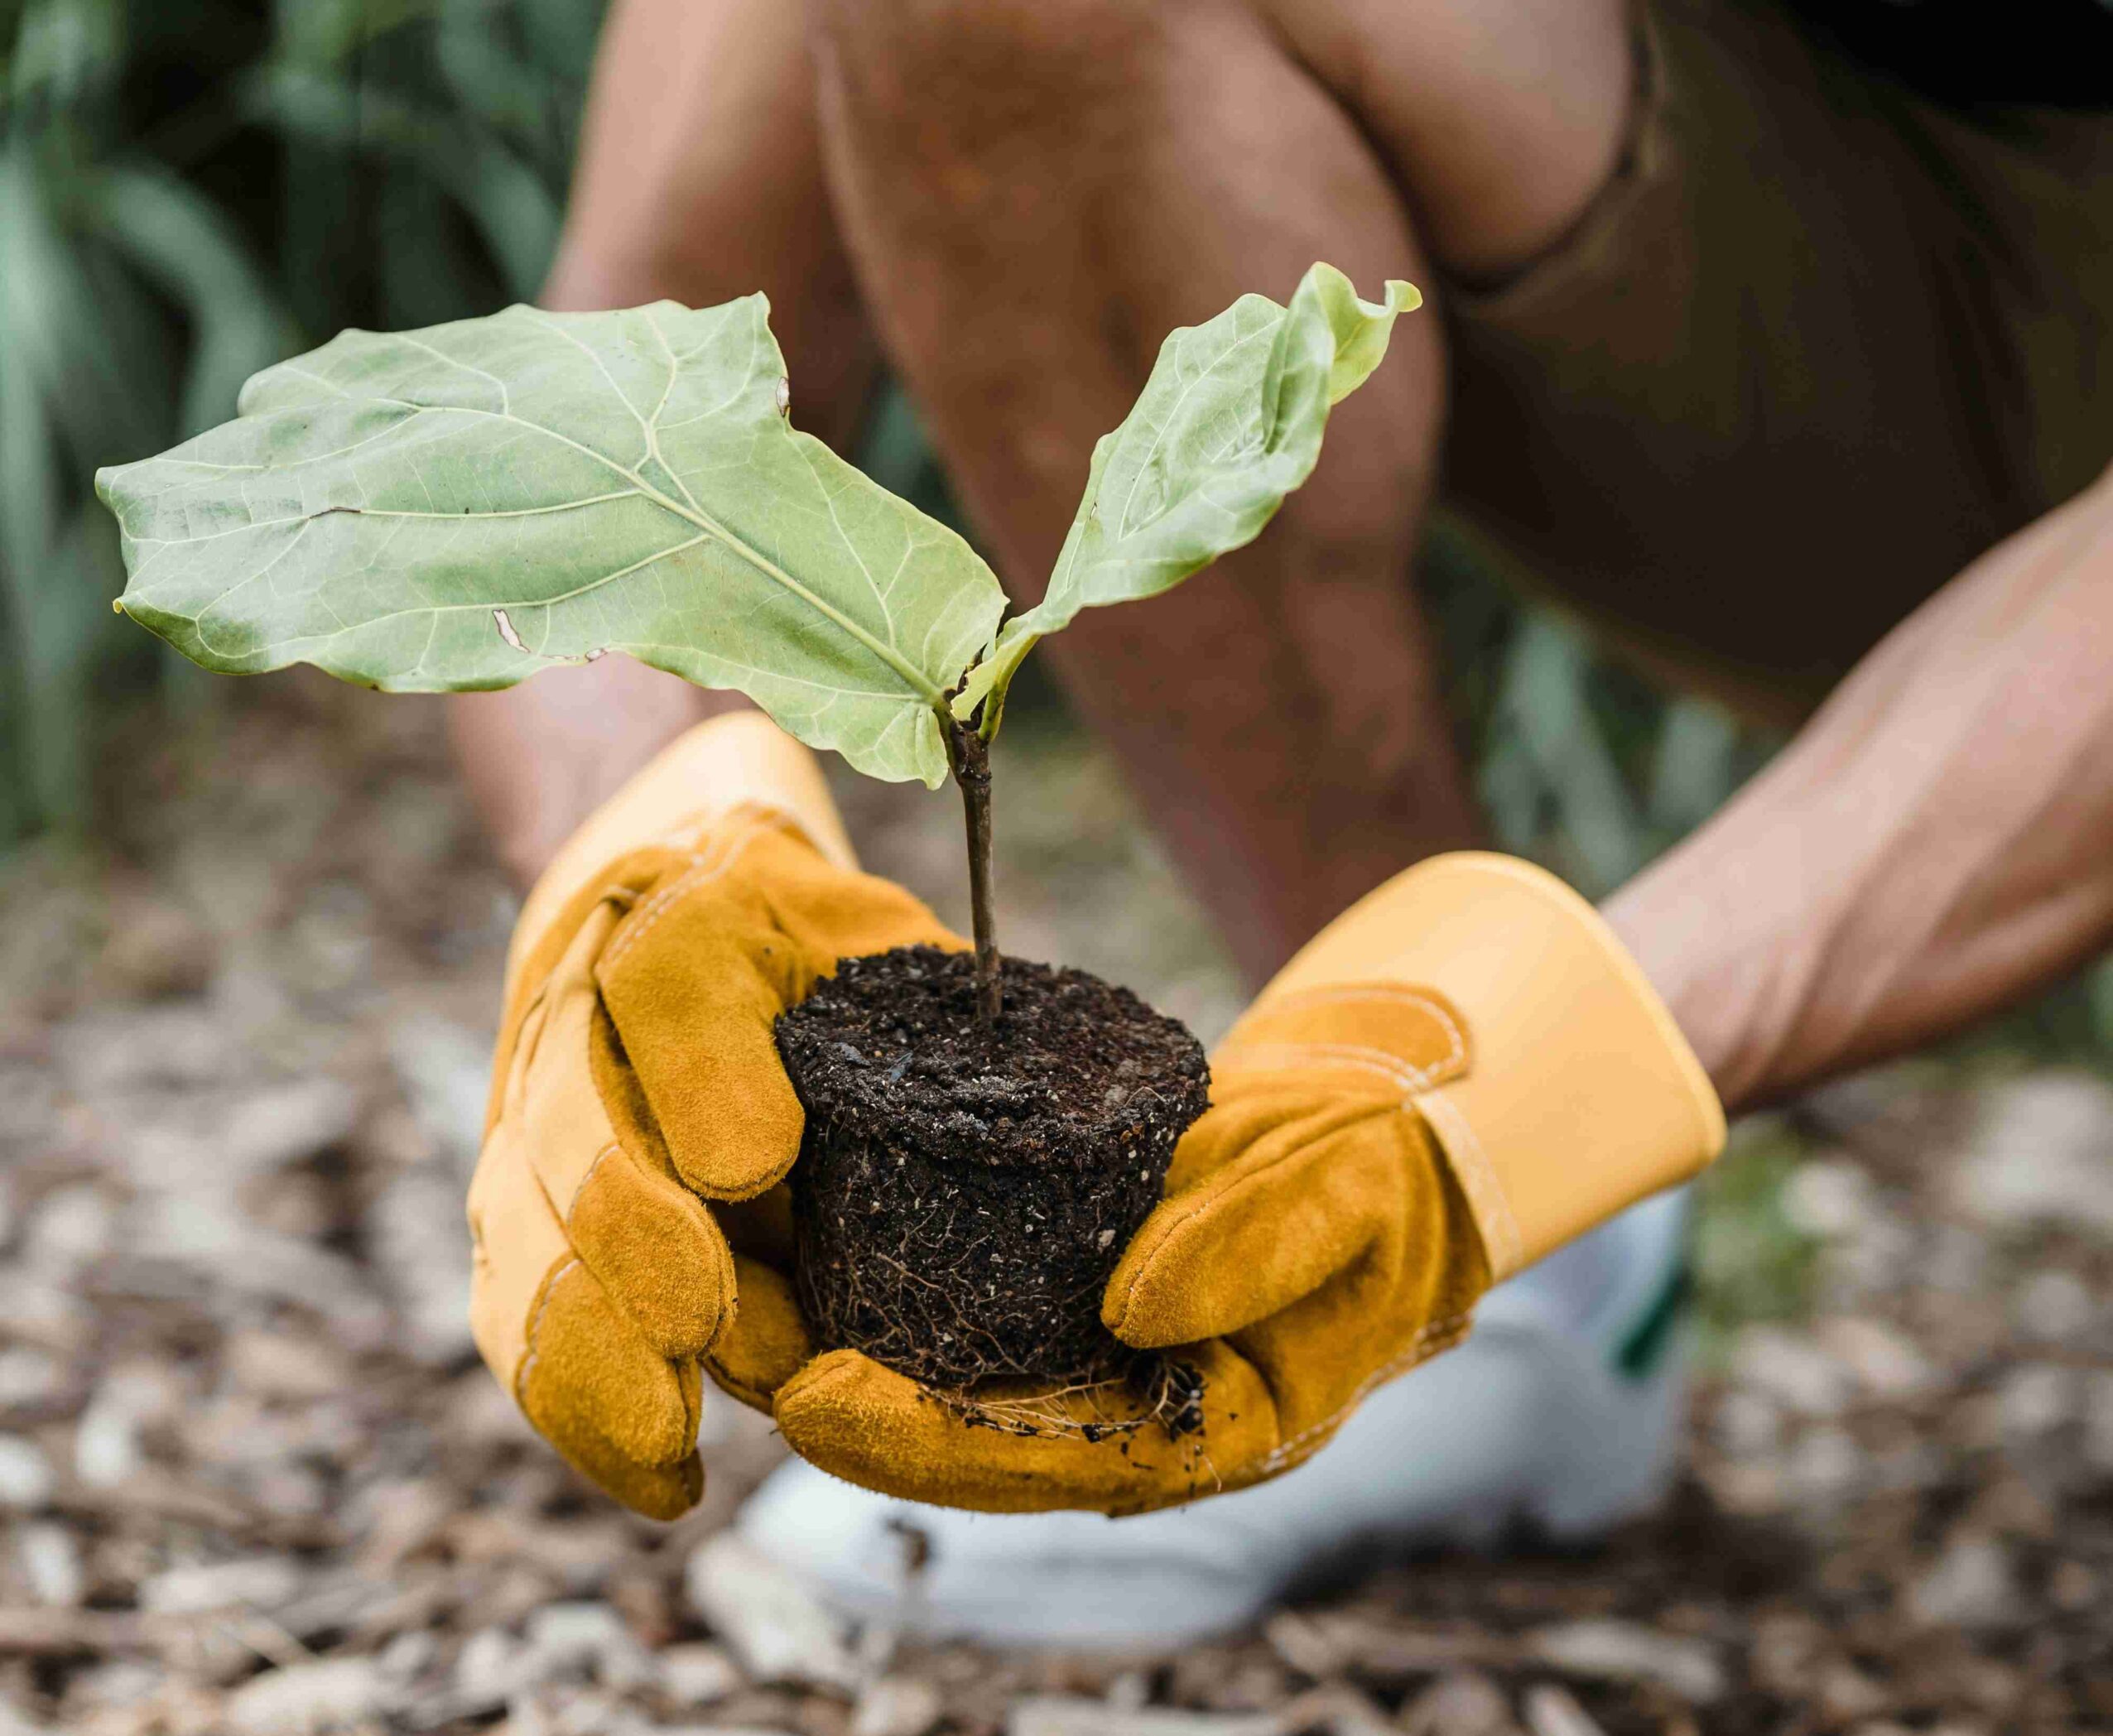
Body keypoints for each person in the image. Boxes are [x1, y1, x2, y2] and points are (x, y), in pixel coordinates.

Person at [455, 0, 2113, 1647]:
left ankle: (1465, 1227)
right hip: (1817, 316)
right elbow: (612, 402)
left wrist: (1524, 1067)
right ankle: (1482, 1301)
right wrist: (637, 847)